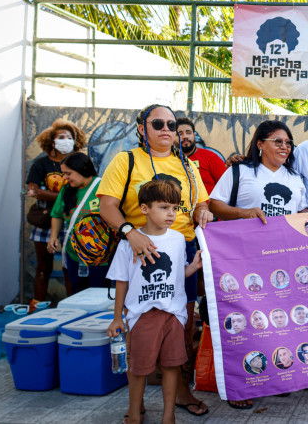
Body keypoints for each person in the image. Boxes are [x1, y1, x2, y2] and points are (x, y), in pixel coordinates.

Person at [97, 104, 212, 416]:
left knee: (181, 326)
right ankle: (139, 402)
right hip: (137, 247)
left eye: (172, 125)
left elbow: (203, 202)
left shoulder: (188, 165)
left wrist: (203, 210)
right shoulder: (126, 160)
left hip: (182, 248)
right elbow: (107, 205)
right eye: (158, 123)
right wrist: (129, 233)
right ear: (142, 127)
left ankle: (179, 391)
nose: (166, 130)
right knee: (140, 325)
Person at [106, 179, 204, 424]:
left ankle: (168, 416)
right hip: (142, 315)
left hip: (174, 314)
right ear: (144, 209)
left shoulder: (179, 239)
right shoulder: (129, 242)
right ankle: (134, 413)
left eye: (174, 208)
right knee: (138, 369)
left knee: (172, 367)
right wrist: (118, 317)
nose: (171, 213)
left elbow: (177, 273)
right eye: (163, 207)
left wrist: (193, 267)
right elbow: (121, 281)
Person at [27, 119, 86, 300]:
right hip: (45, 222)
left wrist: (48, 194)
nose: (66, 140)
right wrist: (66, 194)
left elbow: (86, 190)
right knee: (43, 268)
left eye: (69, 137)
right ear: (52, 142)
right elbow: (32, 191)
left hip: (72, 220)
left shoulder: (81, 163)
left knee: (71, 268)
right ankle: (36, 309)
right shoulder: (41, 165)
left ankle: (72, 309)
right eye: (61, 137)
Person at [210, 121, 307, 220]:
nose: (284, 147)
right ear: (260, 144)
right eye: (278, 141)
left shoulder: (295, 177)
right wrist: (243, 213)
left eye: (288, 142)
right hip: (246, 235)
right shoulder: (239, 170)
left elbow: (301, 211)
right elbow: (214, 205)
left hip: (284, 235)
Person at [47, 152, 108, 295]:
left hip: (99, 255)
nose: (65, 178)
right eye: (63, 174)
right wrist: (53, 236)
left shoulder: (102, 187)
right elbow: (57, 215)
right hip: (73, 253)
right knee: (77, 292)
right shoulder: (67, 190)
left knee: (98, 294)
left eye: (69, 173)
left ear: (82, 169)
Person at [176, 117, 226, 194]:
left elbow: (226, 185)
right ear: (173, 137)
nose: (185, 136)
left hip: (208, 205)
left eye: (188, 132)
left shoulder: (211, 157)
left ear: (194, 135)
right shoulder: (169, 159)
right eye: (180, 134)